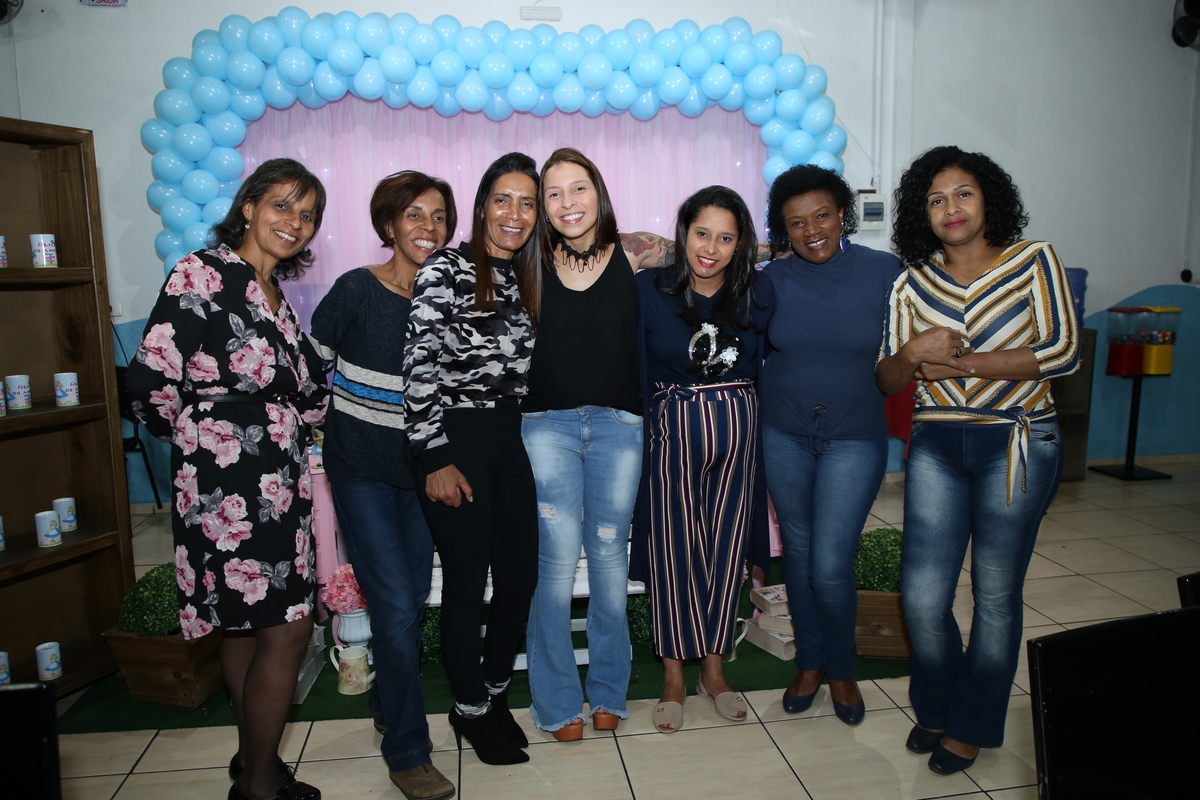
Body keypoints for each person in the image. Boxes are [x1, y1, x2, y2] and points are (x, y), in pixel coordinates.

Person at [126, 158, 329, 800]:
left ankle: (253, 758)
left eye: (307, 215)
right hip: (226, 479)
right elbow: (150, 378)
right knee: (288, 628)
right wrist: (203, 440)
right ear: (248, 206)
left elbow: (308, 395)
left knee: (244, 624)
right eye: (281, 205)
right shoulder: (202, 272)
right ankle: (260, 781)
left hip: (280, 478)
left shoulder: (278, 298)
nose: (294, 222)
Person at [877, 145, 1079, 774]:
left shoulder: (1033, 260)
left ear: (988, 197)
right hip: (936, 445)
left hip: (1016, 443)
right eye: (936, 199)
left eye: (963, 192)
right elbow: (887, 377)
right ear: (923, 214)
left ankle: (970, 724)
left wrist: (961, 364)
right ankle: (937, 706)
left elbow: (1062, 351)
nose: (951, 207)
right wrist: (915, 354)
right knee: (922, 596)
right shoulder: (912, 281)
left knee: (994, 594)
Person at [308, 171, 457, 800]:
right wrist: (315, 440)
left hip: (423, 476)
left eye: (439, 216)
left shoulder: (450, 300)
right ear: (389, 225)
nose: (428, 227)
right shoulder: (355, 290)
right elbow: (310, 370)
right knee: (395, 607)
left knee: (410, 601)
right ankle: (408, 751)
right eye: (414, 215)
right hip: (361, 472)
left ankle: (387, 709)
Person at [522, 147, 674, 741]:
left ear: (599, 192)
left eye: (578, 188)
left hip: (619, 427)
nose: (568, 203)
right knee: (555, 567)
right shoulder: (527, 259)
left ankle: (609, 691)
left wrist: (786, 248)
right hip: (545, 428)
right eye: (554, 193)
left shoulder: (634, 251)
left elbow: (712, 249)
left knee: (610, 564)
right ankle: (558, 702)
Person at [402, 152, 540, 766]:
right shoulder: (446, 269)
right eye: (503, 199)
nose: (515, 213)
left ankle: (492, 692)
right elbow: (418, 364)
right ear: (483, 206)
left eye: (528, 203)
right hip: (451, 439)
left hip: (507, 436)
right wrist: (433, 455)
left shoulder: (528, 275)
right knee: (465, 582)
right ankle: (470, 708)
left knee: (518, 578)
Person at [760, 165, 903, 725]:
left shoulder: (885, 272)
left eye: (822, 216)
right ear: (784, 229)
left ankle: (841, 669)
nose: (812, 230)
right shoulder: (770, 279)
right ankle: (811, 662)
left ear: (843, 213)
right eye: (797, 223)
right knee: (797, 554)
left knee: (830, 563)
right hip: (783, 433)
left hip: (855, 437)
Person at [636, 185, 775, 734]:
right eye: (701, 233)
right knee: (673, 552)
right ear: (683, 232)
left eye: (725, 238)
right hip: (673, 433)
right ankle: (673, 675)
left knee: (726, 551)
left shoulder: (757, 294)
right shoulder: (650, 288)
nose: (710, 249)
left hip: (739, 436)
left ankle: (713, 672)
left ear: (741, 244)